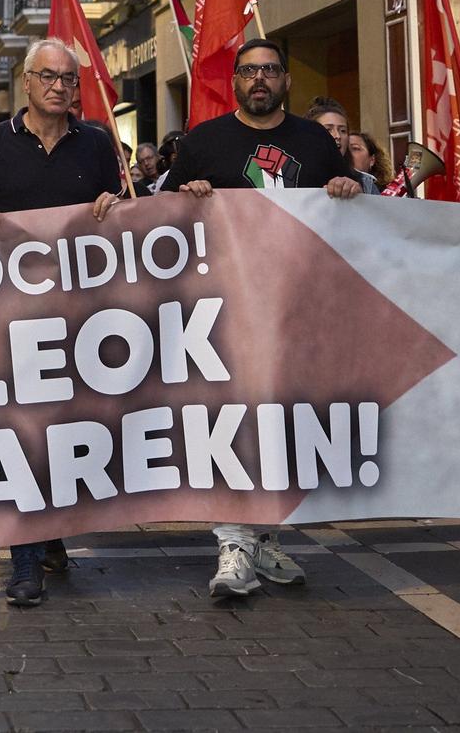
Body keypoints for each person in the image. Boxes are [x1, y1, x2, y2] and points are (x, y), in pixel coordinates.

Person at [160, 40, 363, 600]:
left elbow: (350, 197)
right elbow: (159, 211)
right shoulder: (204, 141)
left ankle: (264, 537)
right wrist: (185, 193)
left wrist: (346, 187)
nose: (259, 79)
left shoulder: (313, 141)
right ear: (235, 81)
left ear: (285, 80)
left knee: (279, 422)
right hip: (222, 303)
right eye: (248, 71)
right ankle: (231, 541)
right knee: (229, 420)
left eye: (269, 70)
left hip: (294, 304)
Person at [0, 40, 125, 607]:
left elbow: (124, 207)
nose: (58, 86)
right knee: (21, 428)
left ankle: (50, 533)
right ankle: (26, 558)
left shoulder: (98, 143)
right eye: (47, 76)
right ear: (25, 82)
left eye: (68, 79)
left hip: (79, 315)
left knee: (64, 427)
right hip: (10, 315)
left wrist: (113, 204)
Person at [306, 97, 377, 194]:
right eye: (328, 129)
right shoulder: (293, 175)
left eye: (343, 131)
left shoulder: (365, 183)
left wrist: (360, 198)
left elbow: (379, 209)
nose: (337, 136)